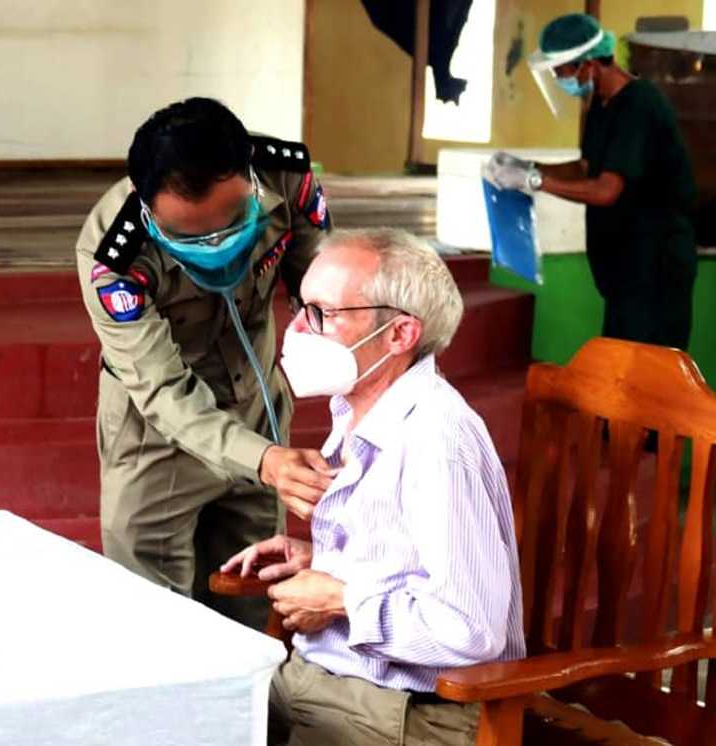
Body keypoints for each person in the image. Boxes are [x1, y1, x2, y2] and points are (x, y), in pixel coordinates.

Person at [221, 228, 525, 745]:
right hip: (329, 683)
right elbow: (409, 559)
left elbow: (470, 627)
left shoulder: (435, 440)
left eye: (323, 313)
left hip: (403, 715)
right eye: (300, 307)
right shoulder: (363, 408)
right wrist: (323, 561)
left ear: (400, 335)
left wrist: (340, 598)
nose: (296, 329)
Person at [75, 98, 336, 628]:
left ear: (249, 180)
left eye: (233, 222)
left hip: (256, 408)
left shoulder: (284, 176)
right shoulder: (114, 256)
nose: (216, 245)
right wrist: (264, 460)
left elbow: (330, 296)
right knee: (150, 620)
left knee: (250, 601)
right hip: (157, 439)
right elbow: (162, 391)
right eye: (189, 236)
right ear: (149, 209)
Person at [487, 13, 697, 349]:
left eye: (561, 71)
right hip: (627, 270)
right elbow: (587, 169)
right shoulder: (602, 103)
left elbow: (606, 190)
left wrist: (534, 181)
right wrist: (529, 166)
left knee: (647, 371)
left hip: (655, 268)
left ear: (587, 65)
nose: (559, 80)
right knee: (622, 362)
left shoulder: (639, 105)